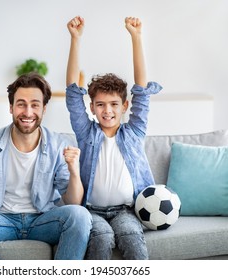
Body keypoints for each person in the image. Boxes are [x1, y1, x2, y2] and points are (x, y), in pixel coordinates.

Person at [0, 72, 92, 260]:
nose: (27, 112)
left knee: (80, 215)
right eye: (21, 104)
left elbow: (73, 202)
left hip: (43, 220)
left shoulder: (59, 144)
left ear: (44, 109)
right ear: (11, 107)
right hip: (0, 220)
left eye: (35, 105)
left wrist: (74, 171)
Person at [65, 16, 162, 259]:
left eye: (113, 104)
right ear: (92, 107)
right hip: (92, 211)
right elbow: (72, 94)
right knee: (102, 237)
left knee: (130, 236)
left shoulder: (134, 131)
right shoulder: (86, 132)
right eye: (100, 105)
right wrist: (75, 40)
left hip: (126, 211)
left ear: (125, 105)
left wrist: (136, 38)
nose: (107, 110)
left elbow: (142, 90)